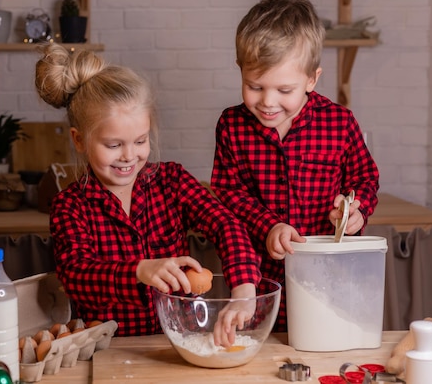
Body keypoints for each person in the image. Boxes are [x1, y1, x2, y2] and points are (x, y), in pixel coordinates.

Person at [34, 44, 262, 346]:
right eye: (114, 145)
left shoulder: (172, 181)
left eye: (140, 141)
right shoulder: (70, 206)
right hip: (111, 350)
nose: (129, 156)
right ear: (79, 140)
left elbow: (226, 224)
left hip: (180, 343)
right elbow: (76, 275)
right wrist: (140, 270)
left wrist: (244, 290)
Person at [210, 0, 380, 332]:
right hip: (260, 279)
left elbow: (365, 177)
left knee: (324, 346)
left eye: (284, 90)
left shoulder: (339, 122)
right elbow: (228, 192)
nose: (268, 102)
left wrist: (356, 210)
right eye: (254, 86)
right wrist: (268, 225)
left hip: (328, 276)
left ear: (312, 79)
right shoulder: (231, 125)